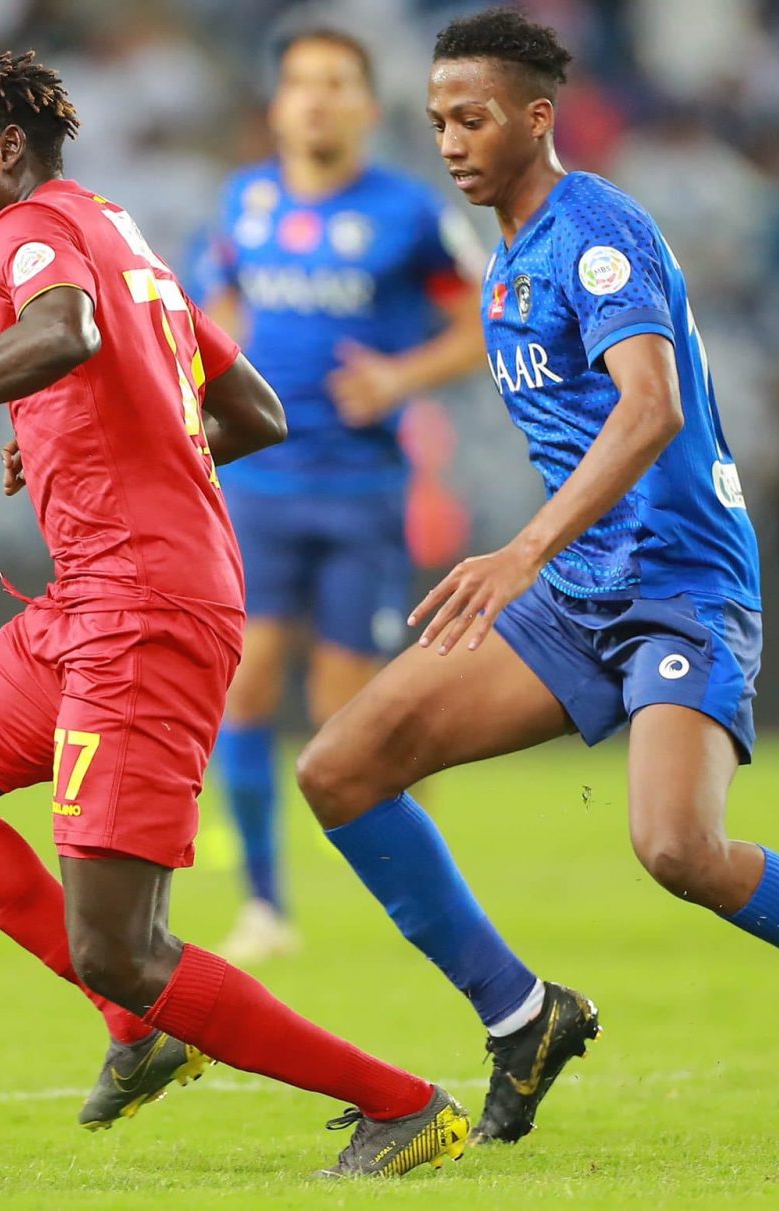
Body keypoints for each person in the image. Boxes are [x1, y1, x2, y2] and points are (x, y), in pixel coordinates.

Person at [295, 9, 779, 1148]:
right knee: (339, 769)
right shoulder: (505, 258)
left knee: (676, 848)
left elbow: (651, 406)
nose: (451, 142)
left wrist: (521, 550)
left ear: (537, 116)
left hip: (681, 583)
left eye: (472, 118)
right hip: (577, 594)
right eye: (437, 122)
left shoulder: (594, 229)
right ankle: (522, 1017)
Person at [0, 50, 467, 1177]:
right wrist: (91, 440)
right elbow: (252, 411)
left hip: (141, 611)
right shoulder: (113, 230)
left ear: (5, 150)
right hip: (91, 600)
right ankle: (139, 1027)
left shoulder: (30, 231)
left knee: (122, 945)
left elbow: (63, 334)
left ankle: (405, 1104)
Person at [192, 28, 486, 962]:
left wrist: (401, 378)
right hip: (258, 484)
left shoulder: (409, 212)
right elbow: (212, 315)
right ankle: (264, 906)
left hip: (362, 489)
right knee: (243, 685)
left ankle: (418, 870)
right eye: (301, 83)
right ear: (278, 105)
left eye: (335, 83)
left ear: (366, 106)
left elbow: (483, 320)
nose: (316, 99)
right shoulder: (242, 203)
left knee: (346, 715)